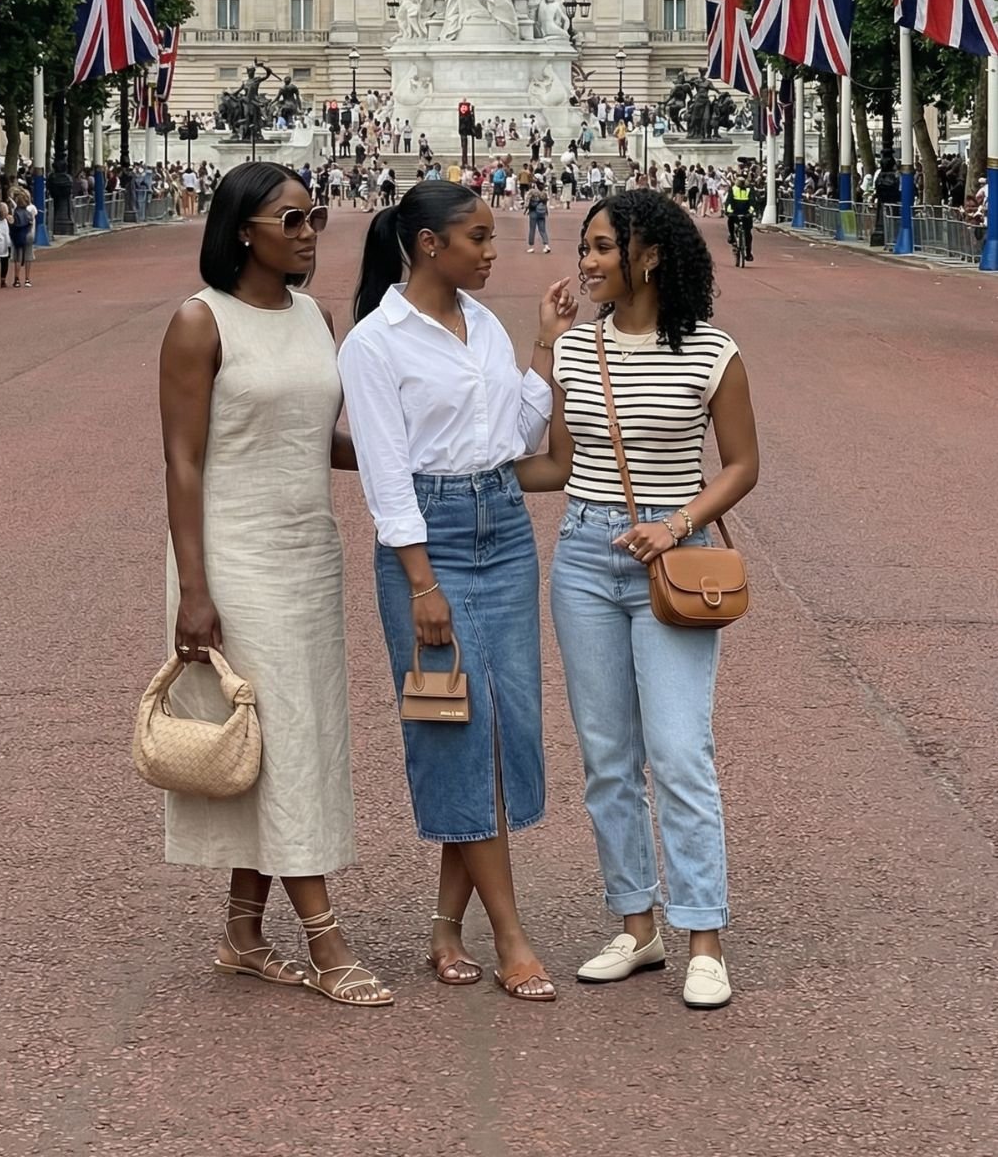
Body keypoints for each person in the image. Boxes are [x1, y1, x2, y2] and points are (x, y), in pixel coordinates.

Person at [519, 190, 759, 1009]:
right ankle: (635, 924)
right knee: (606, 757)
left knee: (680, 749)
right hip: (585, 554)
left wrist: (677, 523)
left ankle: (703, 936)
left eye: (597, 248)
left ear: (647, 256)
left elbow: (740, 466)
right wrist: (542, 347)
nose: (583, 262)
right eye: (583, 247)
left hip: (674, 554)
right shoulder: (577, 348)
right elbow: (549, 458)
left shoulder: (710, 352)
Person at [159, 162, 391, 1007]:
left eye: (314, 218)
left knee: (289, 734)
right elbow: (182, 461)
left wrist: (424, 456)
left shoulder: (313, 317)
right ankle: (326, 941)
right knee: (288, 735)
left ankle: (242, 933)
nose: (308, 234)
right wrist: (194, 588)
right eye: (291, 219)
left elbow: (317, 438)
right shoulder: (199, 322)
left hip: (307, 550)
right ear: (241, 229)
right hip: (233, 554)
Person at [338, 183, 578, 1001]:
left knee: (501, 726)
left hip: (503, 526)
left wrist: (542, 348)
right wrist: (419, 583)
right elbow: (383, 473)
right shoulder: (374, 343)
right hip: (428, 539)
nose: (491, 249)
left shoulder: (482, 324)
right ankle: (511, 934)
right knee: (453, 726)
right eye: (476, 237)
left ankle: (445, 925)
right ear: (429, 245)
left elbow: (513, 435)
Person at [724, 172, 755, 262]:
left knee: (748, 233)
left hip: (746, 214)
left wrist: (750, 212)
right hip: (735, 213)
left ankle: (748, 253)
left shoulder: (749, 190)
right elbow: (729, 202)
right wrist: (729, 212)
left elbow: (752, 203)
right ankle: (732, 236)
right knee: (730, 221)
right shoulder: (733, 189)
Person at [525, 179, 551, 255]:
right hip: (542, 212)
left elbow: (527, 201)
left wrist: (526, 207)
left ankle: (531, 246)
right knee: (543, 230)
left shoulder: (532, 192)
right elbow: (546, 203)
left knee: (532, 229)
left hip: (533, 212)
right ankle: (546, 245)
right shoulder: (544, 193)